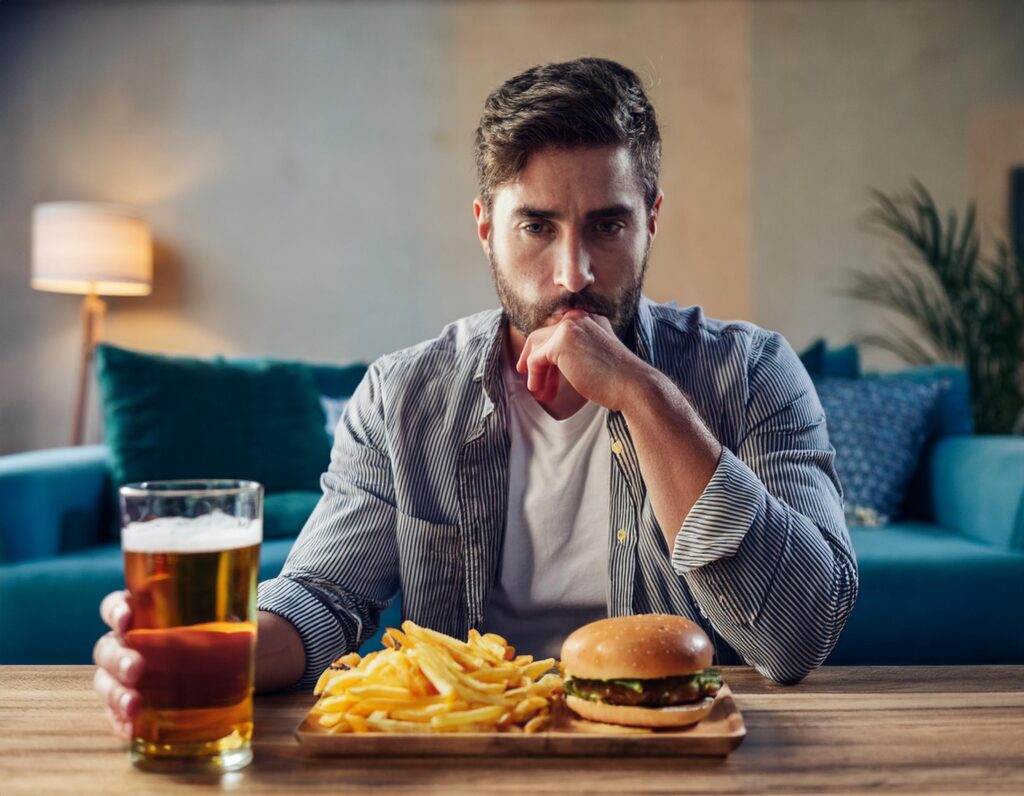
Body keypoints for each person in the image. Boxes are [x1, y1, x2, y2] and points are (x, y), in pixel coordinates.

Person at [94, 57, 858, 737]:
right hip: (473, 754)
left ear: (651, 220)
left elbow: (797, 637)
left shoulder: (753, 373)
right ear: (485, 228)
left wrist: (643, 394)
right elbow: (324, 599)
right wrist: (208, 650)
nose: (573, 273)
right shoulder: (404, 396)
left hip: (673, 759)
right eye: (536, 226)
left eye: (608, 225)